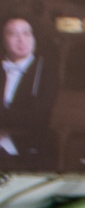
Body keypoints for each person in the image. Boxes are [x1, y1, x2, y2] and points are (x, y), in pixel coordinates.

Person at [0, 18, 57, 164]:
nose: (21, 40)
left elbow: (37, 119)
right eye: (13, 34)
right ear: (3, 39)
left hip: (28, 150)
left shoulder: (47, 72)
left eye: (26, 34)